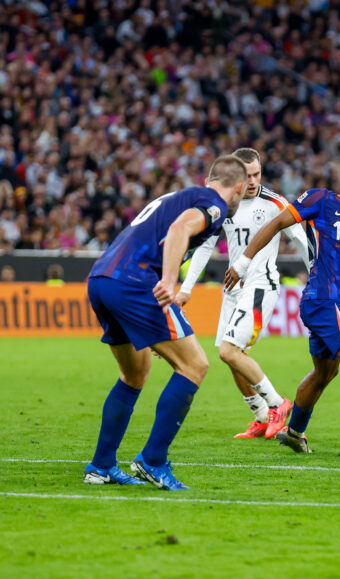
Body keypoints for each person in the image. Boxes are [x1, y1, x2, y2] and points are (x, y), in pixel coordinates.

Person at [84, 155, 246, 490]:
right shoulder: (214, 204)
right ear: (240, 187)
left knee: (134, 373)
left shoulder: (177, 196)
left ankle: (100, 466)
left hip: (101, 278)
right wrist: (171, 280)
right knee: (195, 365)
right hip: (135, 282)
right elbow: (179, 229)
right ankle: (152, 461)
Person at [226, 162, 340, 461]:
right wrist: (243, 262)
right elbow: (276, 224)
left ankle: (294, 433)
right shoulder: (322, 200)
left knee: (325, 372)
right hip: (322, 299)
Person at [175, 148, 310, 440]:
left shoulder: (275, 202)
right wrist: (185, 290)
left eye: (257, 174)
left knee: (230, 351)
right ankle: (260, 416)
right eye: (246, 175)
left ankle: (277, 404)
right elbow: (206, 248)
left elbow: (301, 240)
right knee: (230, 355)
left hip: (261, 285)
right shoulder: (225, 205)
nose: (252, 181)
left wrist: (317, 275)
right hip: (233, 289)